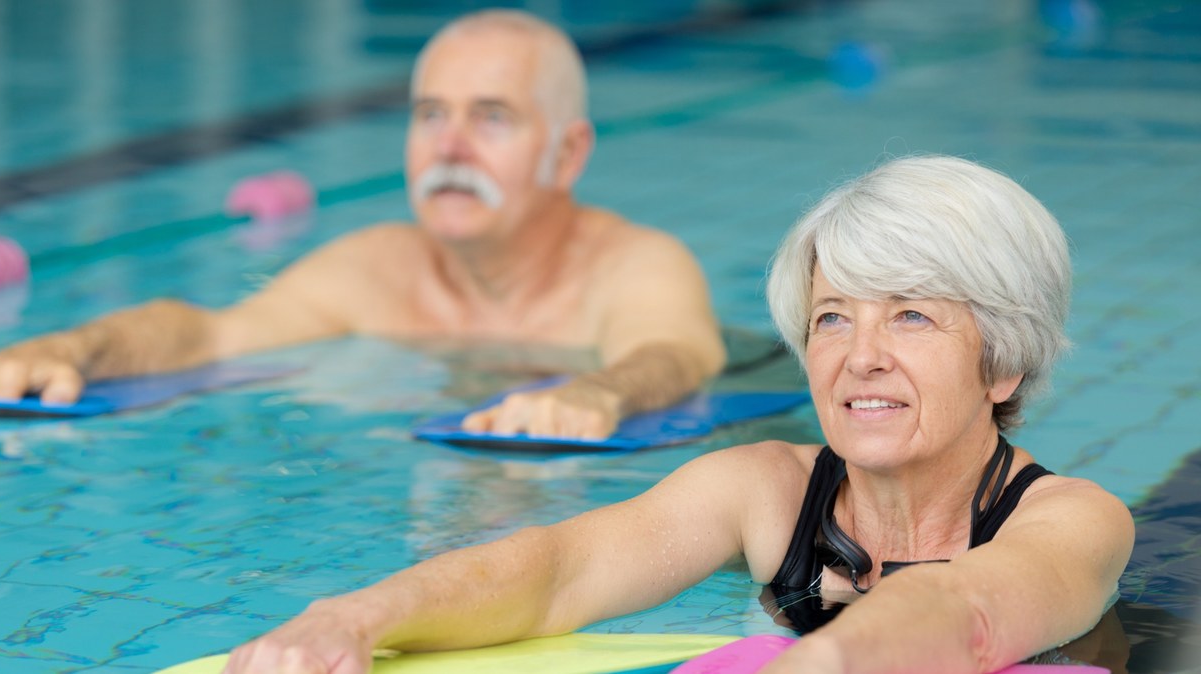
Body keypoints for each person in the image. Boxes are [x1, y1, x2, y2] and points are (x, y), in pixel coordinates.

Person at [220, 155, 1135, 674]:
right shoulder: (766, 492)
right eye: (830, 318)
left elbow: (967, 612)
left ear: (1004, 363)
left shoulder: (1073, 521)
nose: (860, 356)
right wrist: (357, 615)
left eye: (911, 315)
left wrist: (821, 662)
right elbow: (559, 570)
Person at [0, 10, 726, 441]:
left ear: (567, 153)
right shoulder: (375, 269)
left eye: (491, 118)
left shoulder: (637, 266)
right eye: (429, 116)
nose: (449, 147)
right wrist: (70, 349)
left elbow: (676, 353)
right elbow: (209, 336)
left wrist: (598, 390)